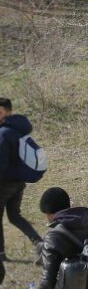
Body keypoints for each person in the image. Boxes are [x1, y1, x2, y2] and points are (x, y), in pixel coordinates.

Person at [0, 98, 41, 263]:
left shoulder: (4, 133)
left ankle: (1, 254)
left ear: (9, 112)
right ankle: (40, 244)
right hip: (18, 182)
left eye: (0, 112)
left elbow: (1, 164)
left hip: (4, 184)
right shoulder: (19, 129)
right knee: (14, 216)